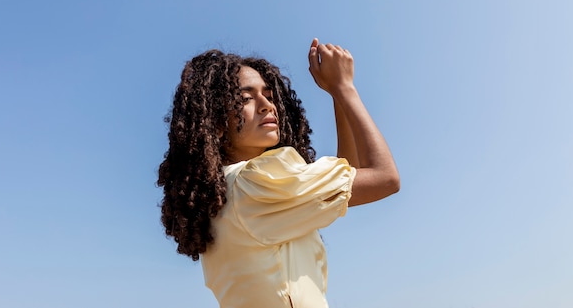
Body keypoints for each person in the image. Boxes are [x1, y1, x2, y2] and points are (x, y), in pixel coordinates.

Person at [157, 38, 400, 308]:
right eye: (246, 98)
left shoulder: (230, 192)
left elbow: (346, 176)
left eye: (269, 96)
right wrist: (345, 89)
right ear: (216, 123)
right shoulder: (255, 184)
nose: (267, 105)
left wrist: (336, 95)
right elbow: (384, 178)